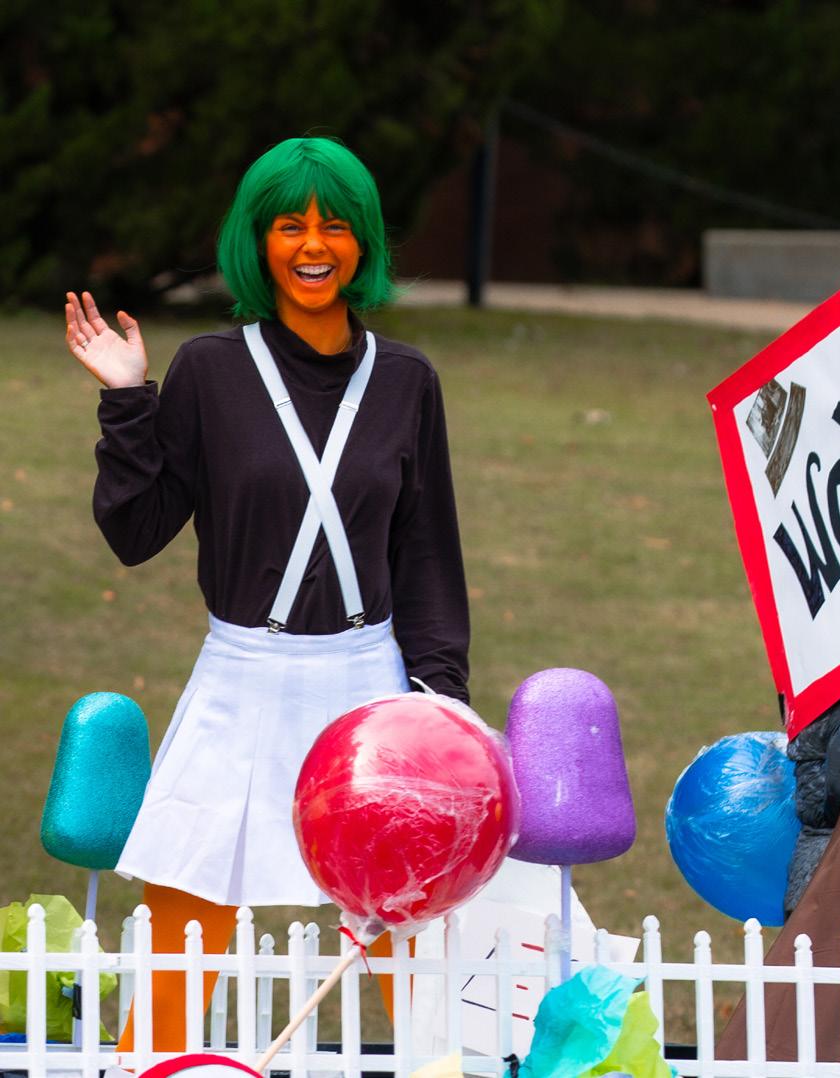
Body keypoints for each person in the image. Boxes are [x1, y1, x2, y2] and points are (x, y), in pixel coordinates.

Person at [64, 136, 470, 1052]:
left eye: (334, 225)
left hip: (369, 687)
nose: (313, 244)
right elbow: (136, 533)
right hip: (241, 678)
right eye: (289, 225)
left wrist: (439, 701)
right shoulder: (210, 370)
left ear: (363, 242)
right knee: (177, 953)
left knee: (416, 952)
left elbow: (428, 556)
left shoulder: (407, 380)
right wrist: (127, 401)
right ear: (259, 241)